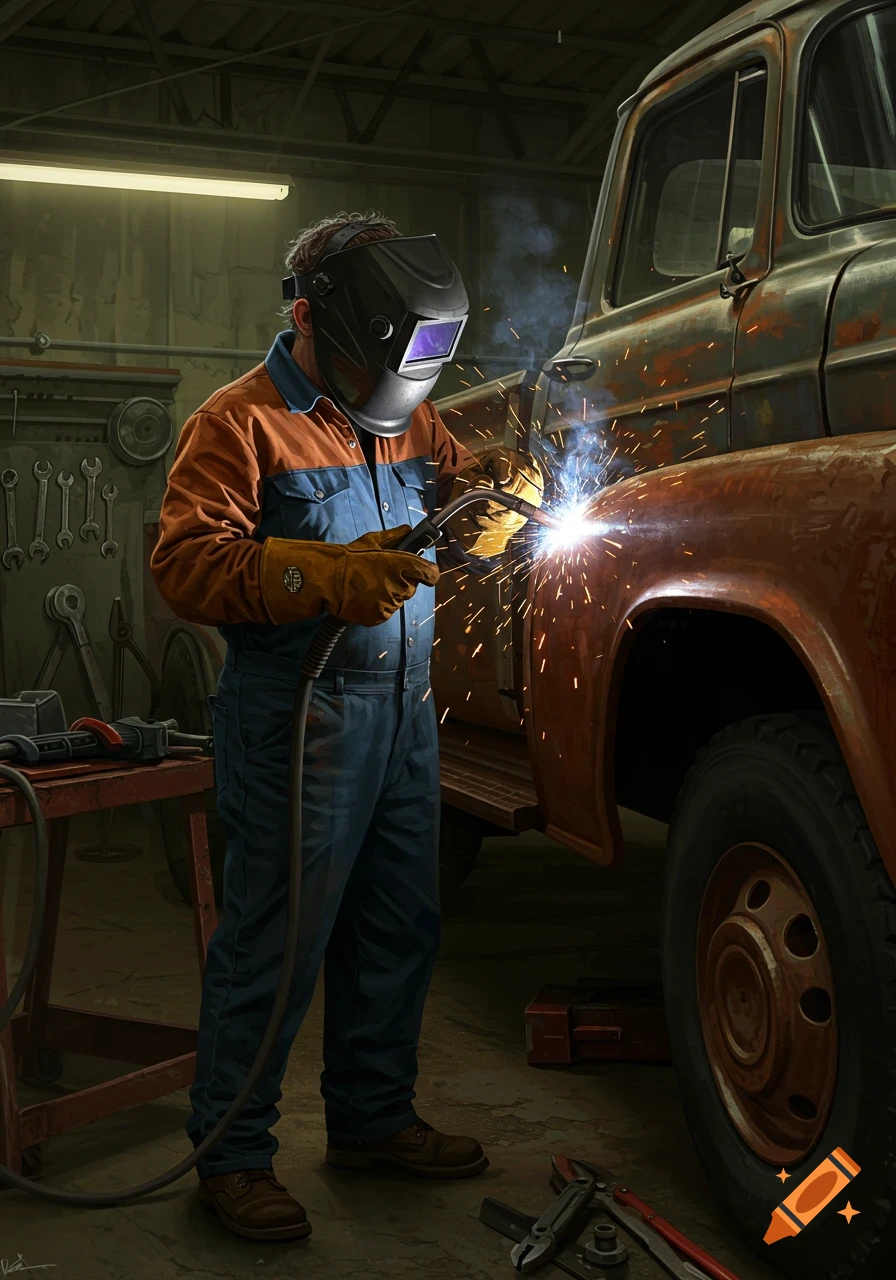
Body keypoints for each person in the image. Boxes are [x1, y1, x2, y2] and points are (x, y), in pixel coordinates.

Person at [151, 211, 543, 1243]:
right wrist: (313, 572)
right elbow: (182, 563)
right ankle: (233, 1155)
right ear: (312, 319)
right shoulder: (238, 422)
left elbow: (453, 496)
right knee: (276, 944)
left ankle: (372, 1121)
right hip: (297, 717)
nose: (392, 389)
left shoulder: (409, 417)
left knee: (396, 928)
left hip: (405, 714)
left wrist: (492, 499)